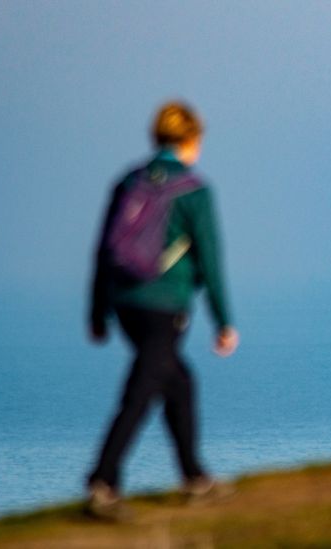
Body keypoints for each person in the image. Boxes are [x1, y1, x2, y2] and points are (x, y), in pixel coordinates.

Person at [86, 101, 239, 520]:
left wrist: (97, 312)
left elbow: (102, 251)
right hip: (166, 307)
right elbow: (210, 259)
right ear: (192, 140)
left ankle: (194, 478)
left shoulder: (129, 181)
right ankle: (102, 483)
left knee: (179, 383)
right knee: (140, 393)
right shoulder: (194, 190)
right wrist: (224, 322)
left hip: (125, 305)